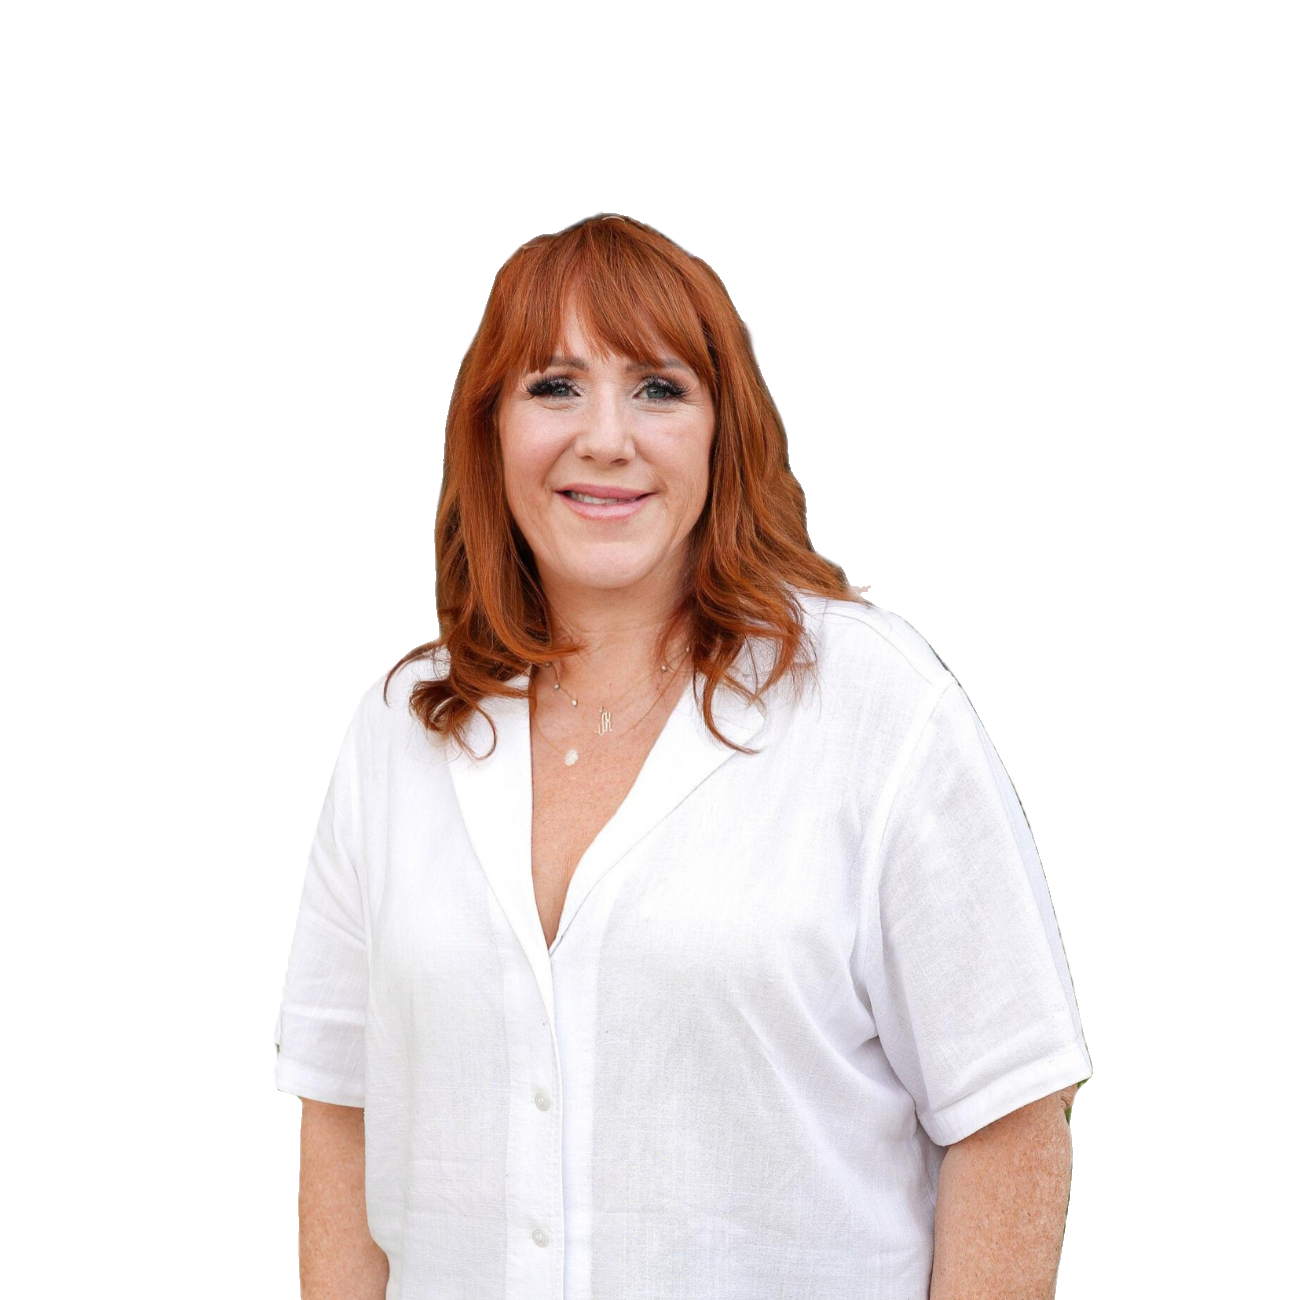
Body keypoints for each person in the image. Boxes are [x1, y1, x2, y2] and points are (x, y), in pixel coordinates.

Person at [273, 212, 1093, 1299]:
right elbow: (343, 1107)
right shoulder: (401, 730)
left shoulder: (875, 712)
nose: (605, 435)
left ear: (723, 430)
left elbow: (1011, 1113)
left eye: (658, 388)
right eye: (553, 386)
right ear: (488, 432)